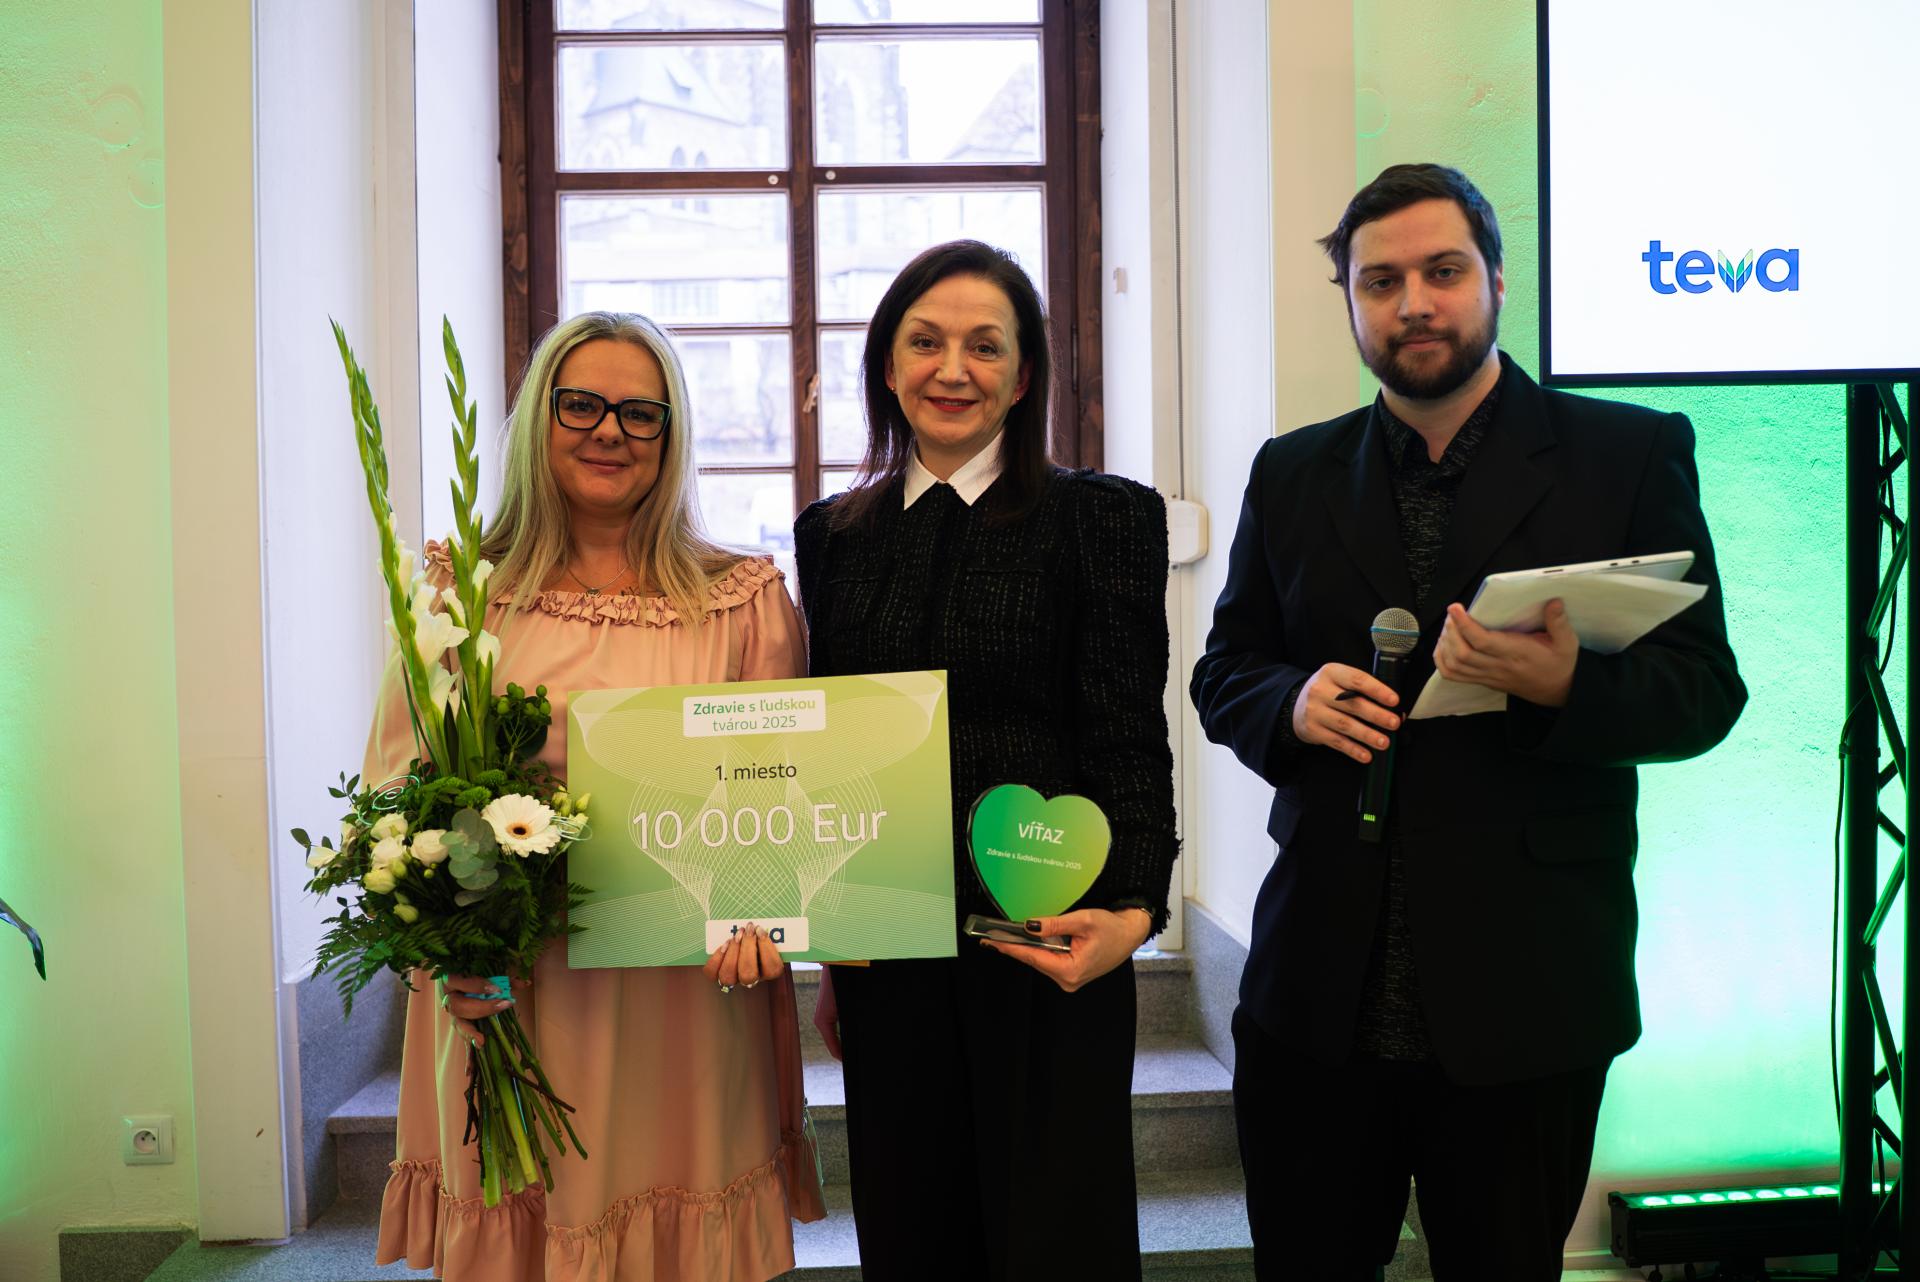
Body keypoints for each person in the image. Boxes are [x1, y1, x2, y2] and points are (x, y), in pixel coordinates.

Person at [1188, 165, 1747, 1279]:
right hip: (1316, 997)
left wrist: (1563, 685)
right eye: (1380, 280)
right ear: (1350, 300)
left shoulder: (1626, 454)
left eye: (1442, 271)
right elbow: (1225, 671)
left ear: (1495, 278)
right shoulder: (1291, 472)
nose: (1414, 303)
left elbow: (1703, 691)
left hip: (1529, 994)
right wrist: (1290, 702)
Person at [366, 311, 826, 1281]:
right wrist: (449, 935)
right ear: (540, 416)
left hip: (680, 997)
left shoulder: (742, 599)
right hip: (507, 988)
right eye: (580, 404)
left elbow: (783, 798)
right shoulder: (462, 589)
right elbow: (397, 789)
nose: (609, 430)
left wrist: (770, 915)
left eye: (638, 413)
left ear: (671, 435)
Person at [792, 240, 1178, 1279]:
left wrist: (1136, 909)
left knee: (1057, 1239)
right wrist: (831, 946)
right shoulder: (833, 536)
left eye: (984, 345)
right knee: (912, 1231)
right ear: (888, 364)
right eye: (925, 342)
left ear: (1022, 373)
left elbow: (1127, 732)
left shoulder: (1102, 518)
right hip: (888, 950)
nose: (952, 369)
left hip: (1047, 935)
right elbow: (836, 744)